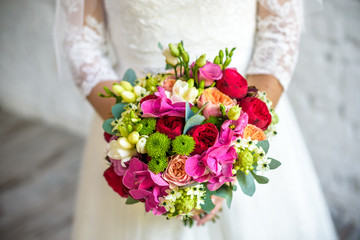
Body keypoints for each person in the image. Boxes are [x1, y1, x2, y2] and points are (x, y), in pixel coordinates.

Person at [54, 0, 338, 239]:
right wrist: (138, 145)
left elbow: (280, 31)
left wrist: (231, 156)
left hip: (245, 113)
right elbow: (82, 43)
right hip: (132, 131)